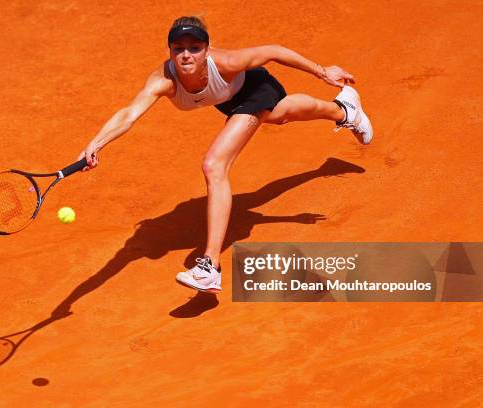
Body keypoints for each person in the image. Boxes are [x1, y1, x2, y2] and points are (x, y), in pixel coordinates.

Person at [77, 16, 373, 294]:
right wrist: (96, 143)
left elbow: (273, 50)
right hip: (228, 100)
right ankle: (345, 109)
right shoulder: (162, 80)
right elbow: (129, 114)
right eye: (178, 49)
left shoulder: (226, 63)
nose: (186, 55)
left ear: (207, 49)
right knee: (280, 115)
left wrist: (324, 72)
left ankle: (209, 266)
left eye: (195, 48)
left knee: (214, 165)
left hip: (255, 87)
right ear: (169, 51)